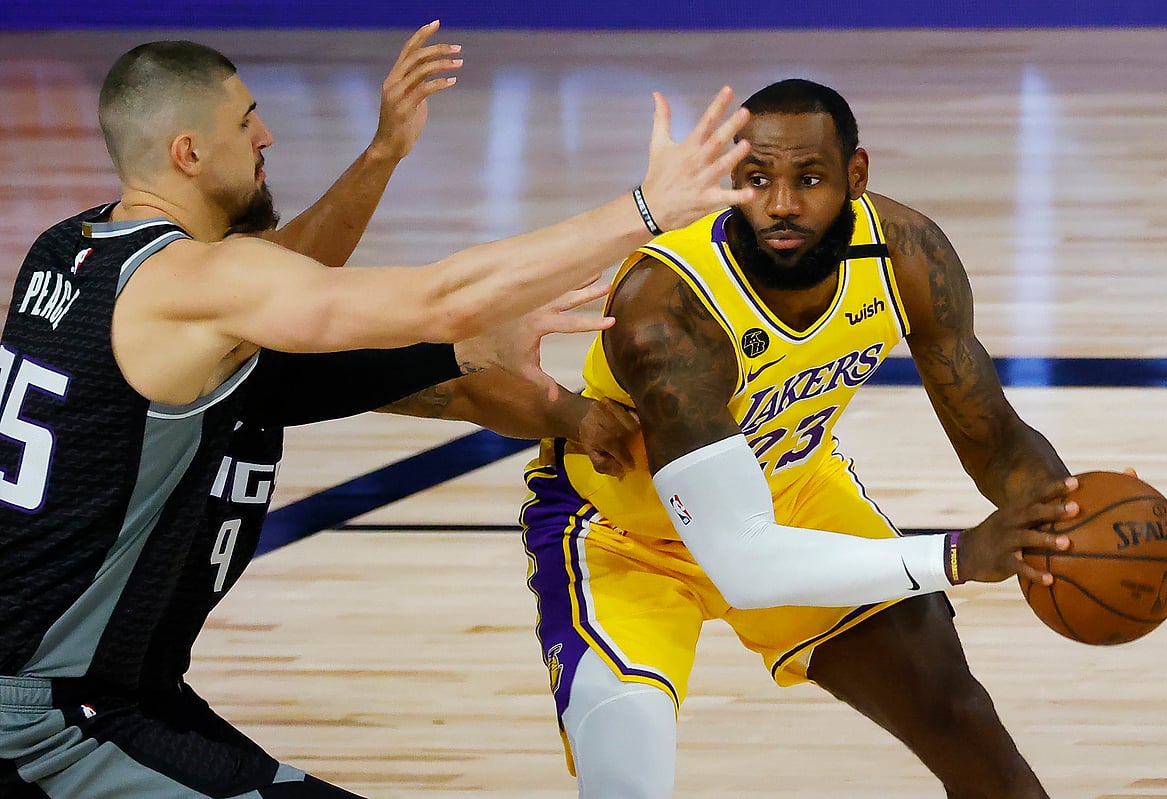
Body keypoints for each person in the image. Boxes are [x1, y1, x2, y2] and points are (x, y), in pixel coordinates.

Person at [0, 24, 751, 798]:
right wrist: (646, 208)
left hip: (116, 695)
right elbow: (436, 299)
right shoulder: (187, 288)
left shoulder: (71, 251)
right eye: (245, 119)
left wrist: (385, 155)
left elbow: (285, 280)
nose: (266, 134)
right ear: (188, 153)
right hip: (50, 722)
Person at [518, 78, 1084, 798]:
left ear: (856, 175)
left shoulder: (907, 253)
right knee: (629, 777)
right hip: (622, 535)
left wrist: (1067, 514)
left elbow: (994, 438)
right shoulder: (668, 306)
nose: (781, 205)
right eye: (757, 180)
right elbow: (744, 560)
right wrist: (958, 554)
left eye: (809, 179)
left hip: (793, 494)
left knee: (962, 721)